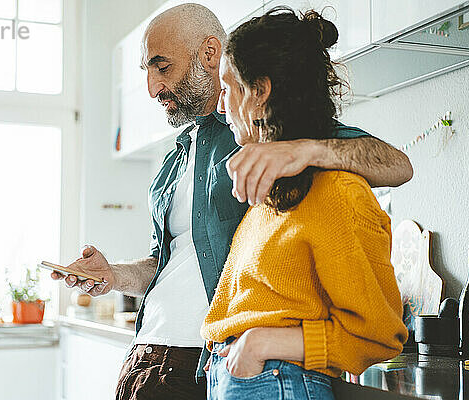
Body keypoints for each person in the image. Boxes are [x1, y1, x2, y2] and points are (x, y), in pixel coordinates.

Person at [51, 4, 413, 399]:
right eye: (147, 72)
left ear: (210, 54)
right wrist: (114, 275)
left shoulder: (285, 152)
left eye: (162, 66)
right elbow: (169, 261)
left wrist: (303, 151)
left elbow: (396, 165)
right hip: (149, 356)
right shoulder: (175, 161)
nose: (153, 87)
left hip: (204, 362)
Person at [200, 7, 408, 400]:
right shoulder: (273, 191)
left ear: (260, 92)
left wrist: (260, 344)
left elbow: (378, 336)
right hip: (240, 375)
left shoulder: (337, 192)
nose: (221, 105)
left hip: (275, 379)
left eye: (227, 88)